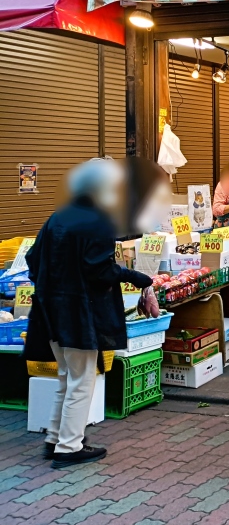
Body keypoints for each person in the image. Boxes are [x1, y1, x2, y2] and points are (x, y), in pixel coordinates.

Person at [24, 159, 154, 468]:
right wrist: (138, 278)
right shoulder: (98, 221)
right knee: (81, 380)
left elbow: (33, 260)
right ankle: (69, 447)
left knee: (67, 376)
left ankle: (55, 439)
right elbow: (99, 270)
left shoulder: (59, 216)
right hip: (78, 312)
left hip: (50, 310)